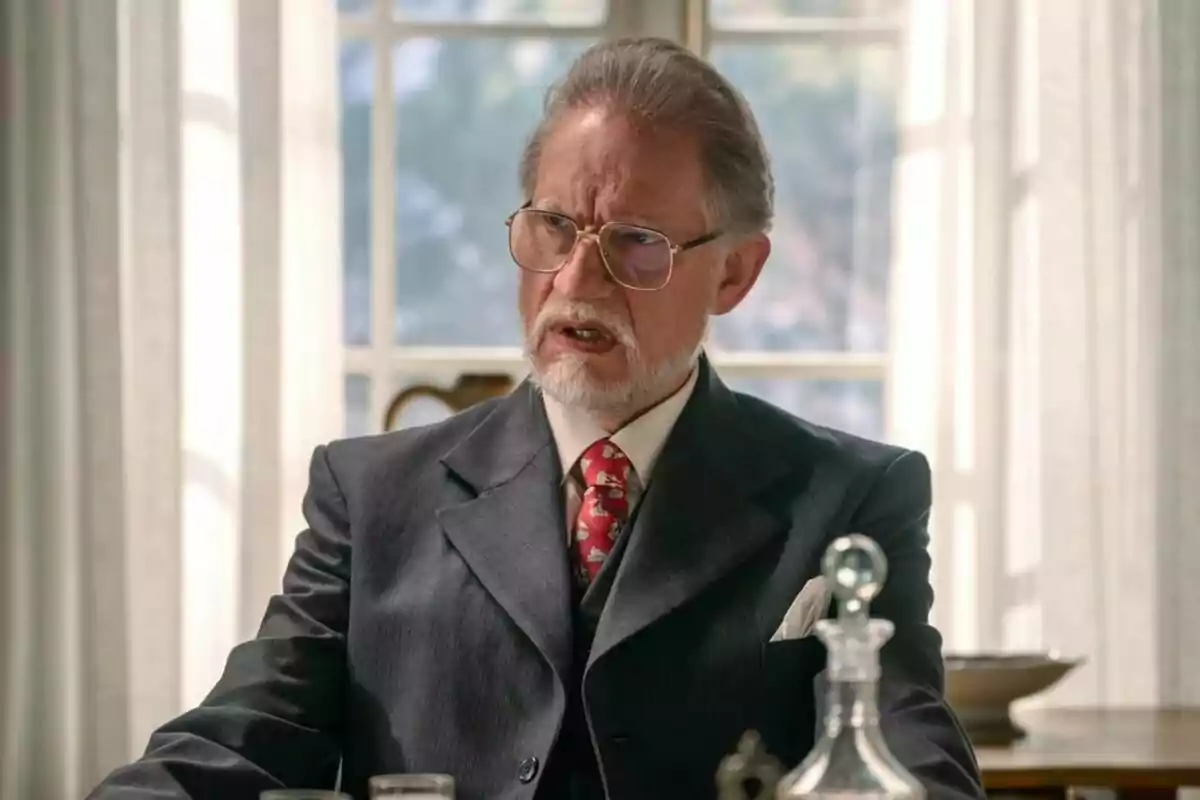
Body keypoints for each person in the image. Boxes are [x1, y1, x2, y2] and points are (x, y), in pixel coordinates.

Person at [88, 36, 983, 800]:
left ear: (736, 274)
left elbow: (912, 757)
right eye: (555, 226)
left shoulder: (853, 498)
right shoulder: (369, 495)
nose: (577, 282)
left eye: (637, 243)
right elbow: (234, 743)